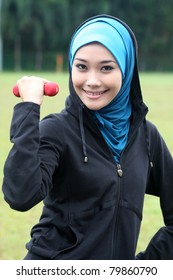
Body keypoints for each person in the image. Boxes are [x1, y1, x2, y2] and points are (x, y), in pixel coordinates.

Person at [2, 14, 173, 260]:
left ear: (126, 68)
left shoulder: (147, 136)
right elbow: (20, 195)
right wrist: (29, 108)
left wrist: (144, 267)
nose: (92, 81)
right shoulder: (57, 130)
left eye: (106, 68)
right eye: (81, 66)